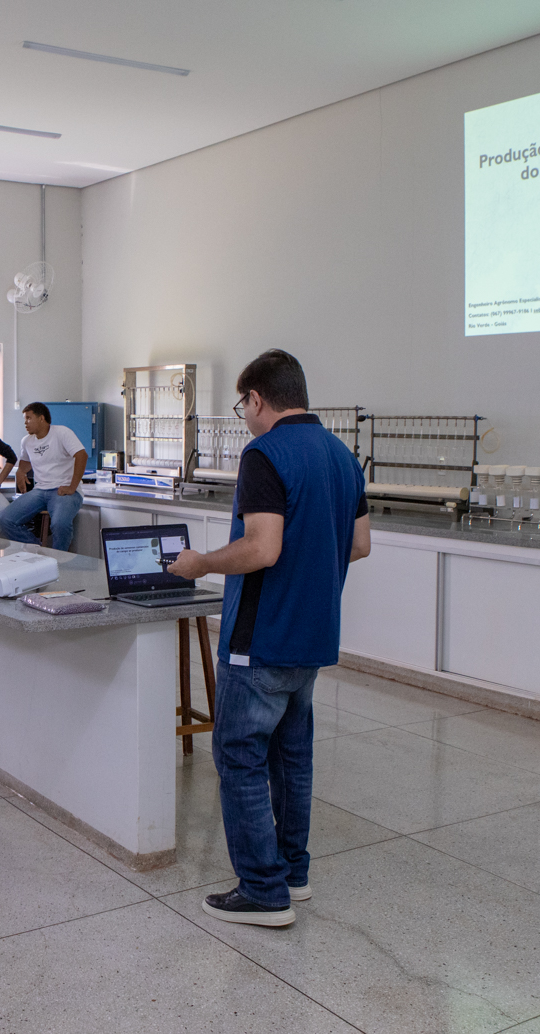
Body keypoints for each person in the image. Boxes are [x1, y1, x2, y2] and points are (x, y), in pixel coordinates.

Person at [166, 349, 370, 928]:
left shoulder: (264, 454)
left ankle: (262, 890)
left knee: (239, 756)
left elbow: (262, 547)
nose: (245, 417)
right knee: (293, 758)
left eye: (243, 405)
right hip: (314, 635)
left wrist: (202, 562)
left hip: (260, 639)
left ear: (257, 399)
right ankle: (293, 874)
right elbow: (359, 545)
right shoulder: (342, 455)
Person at [0, 402, 86, 551]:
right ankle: (37, 551)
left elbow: (82, 455)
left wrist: (72, 487)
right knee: (6, 519)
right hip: (40, 491)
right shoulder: (27, 441)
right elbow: (25, 462)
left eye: (29, 418)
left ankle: (59, 559)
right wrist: (20, 472)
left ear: (41, 418)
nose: (25, 423)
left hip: (63, 490)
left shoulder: (62, 433)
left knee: (60, 524)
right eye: (25, 419)